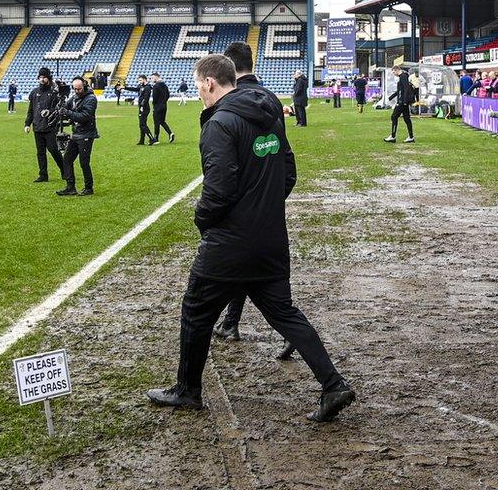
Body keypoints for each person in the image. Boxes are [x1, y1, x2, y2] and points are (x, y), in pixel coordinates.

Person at [145, 53, 356, 422]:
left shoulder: (219, 123)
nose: (198, 93)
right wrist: (264, 205)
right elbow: (288, 171)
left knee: (195, 312)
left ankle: (187, 390)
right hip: (271, 235)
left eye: (198, 86)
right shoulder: (271, 113)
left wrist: (203, 220)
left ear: (210, 82)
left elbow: (219, 188)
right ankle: (333, 384)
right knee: (283, 313)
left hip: (229, 242)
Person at [212, 41, 293, 358]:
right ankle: (233, 321)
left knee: (242, 261)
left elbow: (225, 163)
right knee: (270, 264)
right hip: (269, 197)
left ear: (229, 67)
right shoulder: (271, 98)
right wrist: (273, 195)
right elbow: (283, 154)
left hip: (244, 200)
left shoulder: (231, 101)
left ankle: (268, 325)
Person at [56, 77, 98, 196]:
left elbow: (84, 116)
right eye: (75, 89)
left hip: (86, 134)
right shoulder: (74, 97)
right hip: (76, 134)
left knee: (84, 162)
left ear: (84, 86)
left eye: (79, 89)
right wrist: (60, 109)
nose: (77, 91)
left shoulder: (91, 99)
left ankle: (89, 188)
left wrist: (67, 113)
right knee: (67, 159)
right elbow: (66, 107)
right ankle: (70, 187)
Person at [24, 67, 64, 183]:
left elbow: (58, 109)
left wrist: (50, 112)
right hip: (37, 127)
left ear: (48, 78)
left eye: (44, 77)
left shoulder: (54, 93)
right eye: (40, 77)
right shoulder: (34, 92)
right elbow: (31, 110)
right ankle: (43, 175)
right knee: (40, 152)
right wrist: (27, 123)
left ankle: (64, 170)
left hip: (50, 126)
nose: (42, 79)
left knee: (53, 150)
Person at [385, 66, 415, 143]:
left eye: (394, 72)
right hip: (403, 101)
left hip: (402, 102)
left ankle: (393, 136)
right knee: (406, 118)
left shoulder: (403, 76)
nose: (394, 74)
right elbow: (399, 90)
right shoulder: (403, 76)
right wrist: (391, 97)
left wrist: (404, 101)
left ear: (397, 70)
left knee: (394, 116)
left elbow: (406, 89)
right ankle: (411, 137)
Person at [123, 75, 156, 145]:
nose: (139, 82)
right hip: (141, 108)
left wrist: (142, 106)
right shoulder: (141, 86)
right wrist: (124, 87)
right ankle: (142, 140)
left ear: (144, 80)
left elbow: (146, 98)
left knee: (142, 124)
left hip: (144, 108)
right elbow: (135, 89)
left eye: (140, 80)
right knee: (141, 124)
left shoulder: (147, 88)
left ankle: (152, 138)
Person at [150, 72, 174, 144]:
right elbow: (168, 95)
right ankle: (170, 133)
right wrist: (164, 101)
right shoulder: (164, 85)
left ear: (156, 77)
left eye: (152, 78)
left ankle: (156, 138)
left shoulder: (156, 86)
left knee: (156, 122)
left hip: (157, 106)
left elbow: (154, 97)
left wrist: (154, 105)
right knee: (162, 121)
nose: (151, 79)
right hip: (164, 106)